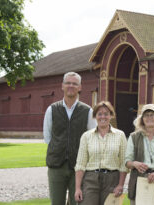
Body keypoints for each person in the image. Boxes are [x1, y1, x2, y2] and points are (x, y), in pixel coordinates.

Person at [43, 72, 97, 205]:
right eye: (68, 83)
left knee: (76, 202)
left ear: (80, 87)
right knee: (56, 202)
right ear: (62, 86)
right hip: (56, 165)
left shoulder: (88, 111)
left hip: (79, 166)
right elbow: (48, 137)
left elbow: (92, 139)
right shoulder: (52, 109)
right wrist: (59, 150)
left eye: (74, 83)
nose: (71, 86)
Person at [74, 101, 128, 205]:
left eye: (106, 114)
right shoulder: (86, 136)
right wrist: (77, 188)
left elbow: (123, 164)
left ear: (111, 116)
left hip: (112, 180)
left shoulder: (120, 135)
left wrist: (120, 185)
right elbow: (80, 164)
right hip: (90, 179)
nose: (103, 117)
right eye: (99, 114)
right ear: (95, 116)